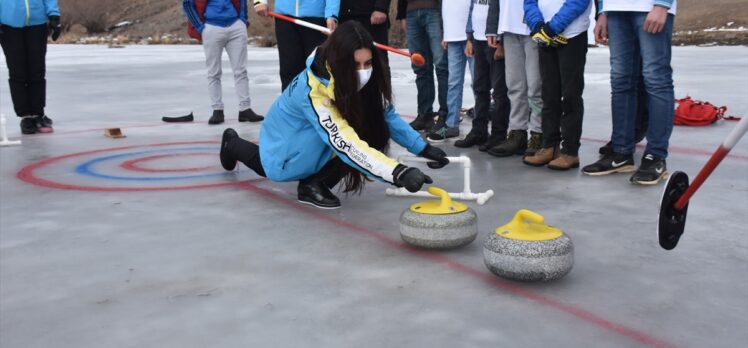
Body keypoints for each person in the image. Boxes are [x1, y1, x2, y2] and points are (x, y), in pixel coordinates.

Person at [219, 21, 449, 209]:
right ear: (339, 60)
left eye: (367, 63)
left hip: (311, 140)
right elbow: (344, 142)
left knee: (371, 126)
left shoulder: (361, 79)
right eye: (355, 64)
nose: (363, 72)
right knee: (273, 167)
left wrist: (422, 148)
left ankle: (312, 182)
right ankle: (233, 144)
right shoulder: (313, 90)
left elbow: (386, 115)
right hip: (286, 145)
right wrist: (398, 173)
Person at [582, 0, 676, 185]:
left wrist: (662, 4)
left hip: (649, 6)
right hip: (615, 9)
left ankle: (655, 156)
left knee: (656, 79)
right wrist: (603, 11)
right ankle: (621, 152)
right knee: (620, 80)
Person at [522, 0, 592, 170]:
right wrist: (537, 24)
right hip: (545, 36)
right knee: (549, 94)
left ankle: (570, 151)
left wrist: (551, 28)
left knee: (570, 95)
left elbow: (578, 2)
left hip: (571, 35)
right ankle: (549, 146)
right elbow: (529, 2)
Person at [182, 0, 265, 125]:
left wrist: (242, 19)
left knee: (241, 71)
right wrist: (200, 27)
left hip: (235, 26)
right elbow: (187, 4)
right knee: (214, 72)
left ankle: (245, 109)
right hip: (211, 27)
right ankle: (217, 110)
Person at [485, 0, 544, 158]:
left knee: (535, 86)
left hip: (534, 26)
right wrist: (492, 28)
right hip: (509, 26)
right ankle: (518, 133)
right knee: (515, 86)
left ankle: (539, 133)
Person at [455, 0, 511, 151]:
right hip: (478, 39)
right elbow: (473, 9)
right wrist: (470, 38)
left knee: (499, 91)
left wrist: (502, 41)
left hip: (495, 40)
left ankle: (499, 135)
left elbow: (504, 11)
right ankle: (479, 131)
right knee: (480, 88)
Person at [0, 0, 61, 134]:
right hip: (8, 26)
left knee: (37, 70)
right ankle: (25, 116)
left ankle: (38, 114)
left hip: (37, 25)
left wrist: (54, 16)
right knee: (17, 71)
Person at [254, 0, 339, 91]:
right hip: (284, 16)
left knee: (316, 70)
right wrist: (260, 1)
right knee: (289, 69)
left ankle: (318, 104)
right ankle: (290, 103)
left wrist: (331, 13)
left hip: (316, 17)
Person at [396, 0, 449, 133]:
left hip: (435, 10)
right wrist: (402, 14)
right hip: (411, 12)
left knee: (441, 66)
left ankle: (445, 116)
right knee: (420, 66)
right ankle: (424, 115)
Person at [426, 0, 472, 142]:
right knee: (453, 83)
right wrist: (446, 33)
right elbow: (445, 7)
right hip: (453, 36)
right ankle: (451, 125)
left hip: (472, 35)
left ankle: (480, 127)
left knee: (478, 83)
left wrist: (470, 36)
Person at [339, 0, 391, 79]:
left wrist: (381, 8)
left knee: (379, 63)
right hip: (343, 15)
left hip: (372, 17)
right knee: (344, 64)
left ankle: (382, 91)